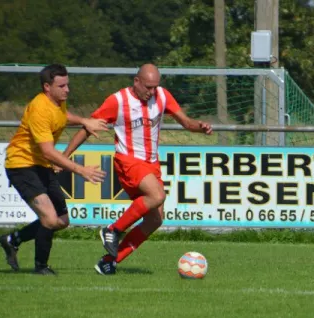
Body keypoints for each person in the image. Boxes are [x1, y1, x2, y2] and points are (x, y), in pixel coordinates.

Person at [62, 63, 213, 275]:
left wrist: (200, 126)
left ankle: (109, 262)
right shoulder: (118, 101)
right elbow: (87, 127)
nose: (152, 92)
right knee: (157, 195)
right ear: (136, 81)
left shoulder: (162, 96)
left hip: (151, 163)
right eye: (148, 87)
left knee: (155, 220)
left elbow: (187, 123)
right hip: (128, 160)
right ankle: (112, 230)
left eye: (155, 87)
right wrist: (64, 156)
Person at [0, 63, 108, 275]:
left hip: (40, 165)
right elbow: (48, 151)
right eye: (62, 86)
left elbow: (63, 117)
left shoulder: (58, 103)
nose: (67, 90)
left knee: (62, 220)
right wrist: (80, 170)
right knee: (49, 218)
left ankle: (12, 240)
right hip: (21, 165)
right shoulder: (39, 108)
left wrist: (84, 120)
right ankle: (41, 268)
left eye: (68, 85)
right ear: (47, 87)